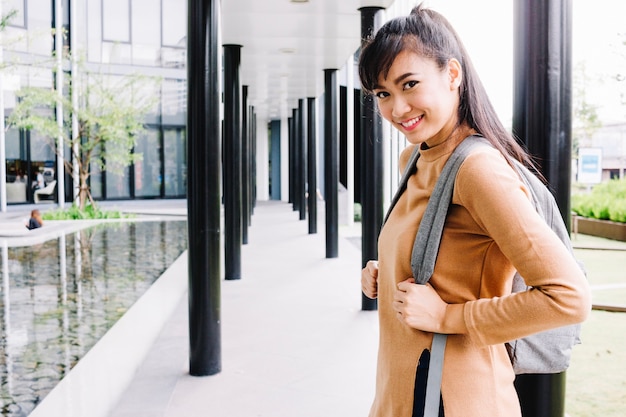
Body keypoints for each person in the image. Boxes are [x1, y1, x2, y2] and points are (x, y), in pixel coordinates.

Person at [358, 5, 591, 417]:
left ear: (452, 75)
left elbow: (568, 297)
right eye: (382, 94)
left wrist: (448, 316)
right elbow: (453, 260)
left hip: (458, 399)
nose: (397, 109)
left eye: (409, 84)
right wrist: (388, 269)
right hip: (404, 391)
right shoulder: (415, 158)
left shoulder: (476, 169)